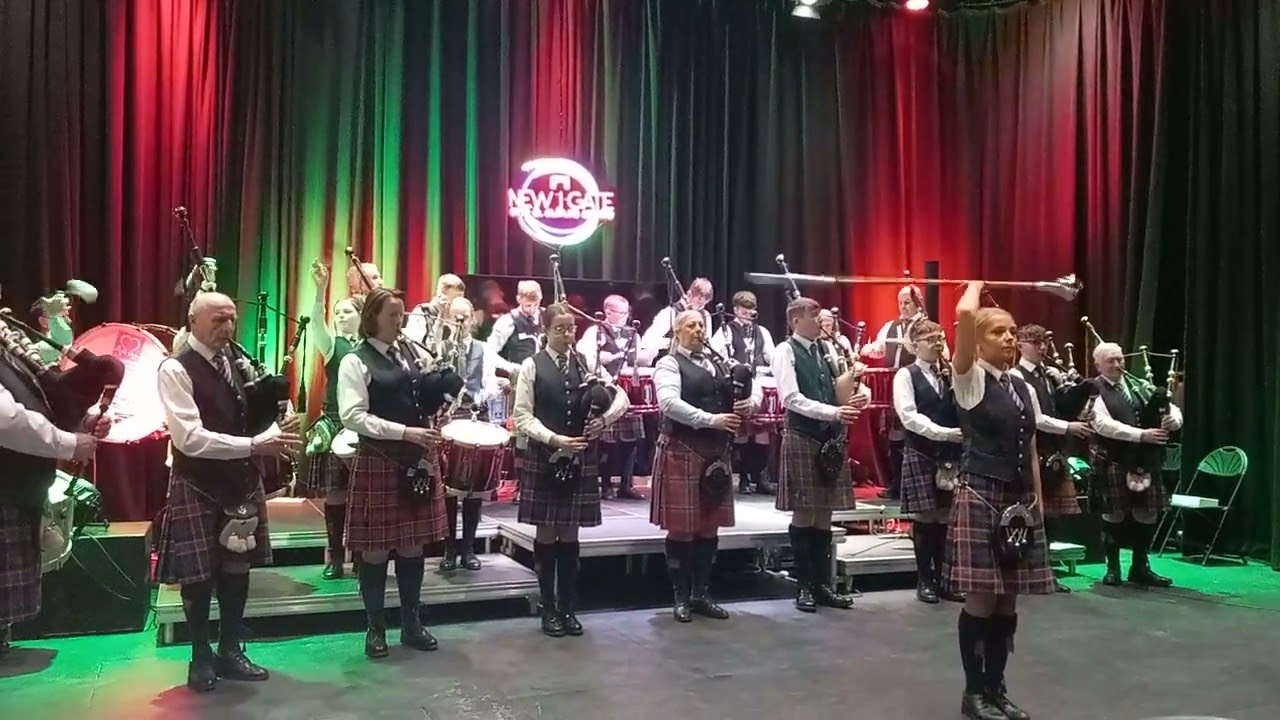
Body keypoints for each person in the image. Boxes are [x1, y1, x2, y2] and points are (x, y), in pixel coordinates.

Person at [155, 292, 303, 692]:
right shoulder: (175, 368)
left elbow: (246, 415)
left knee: (237, 569)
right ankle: (200, 656)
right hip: (198, 482)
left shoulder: (235, 361)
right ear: (193, 320)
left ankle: (230, 650)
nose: (227, 328)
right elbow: (189, 438)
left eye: (231, 320)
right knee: (198, 575)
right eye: (218, 320)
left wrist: (275, 418)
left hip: (241, 482)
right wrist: (254, 446)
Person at [945, 281, 1054, 720]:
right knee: (983, 601)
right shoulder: (969, 379)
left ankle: (996, 688)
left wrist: (1037, 498)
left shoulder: (1022, 386)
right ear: (978, 341)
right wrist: (974, 285)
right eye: (998, 332)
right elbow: (964, 315)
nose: (1009, 338)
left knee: (1008, 600)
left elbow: (1031, 445)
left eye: (1012, 331)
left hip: (1018, 499)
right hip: (982, 493)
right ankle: (973, 694)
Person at [337, 287, 451, 659]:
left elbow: (420, 400)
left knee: (412, 544)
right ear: (372, 317)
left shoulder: (410, 354)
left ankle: (411, 624)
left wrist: (443, 393)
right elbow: (352, 416)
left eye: (401, 314)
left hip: (416, 458)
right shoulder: (355, 361)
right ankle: (375, 628)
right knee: (375, 550)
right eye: (392, 315)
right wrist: (404, 432)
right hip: (380, 458)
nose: (399, 321)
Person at [513, 303, 629, 637]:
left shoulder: (586, 363)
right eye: (560, 329)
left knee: (570, 536)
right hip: (545, 454)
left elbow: (620, 397)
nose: (567, 334)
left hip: (579, 457)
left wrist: (603, 421)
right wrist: (554, 439)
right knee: (547, 534)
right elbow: (522, 415)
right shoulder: (531, 365)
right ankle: (547, 608)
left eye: (571, 328)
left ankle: (568, 607)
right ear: (545, 330)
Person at [652, 310, 761, 622]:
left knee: (709, 525)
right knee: (682, 528)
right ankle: (681, 597)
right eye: (691, 325)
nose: (698, 329)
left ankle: (700, 594)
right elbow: (669, 404)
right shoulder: (669, 363)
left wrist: (749, 403)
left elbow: (755, 386)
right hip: (683, 447)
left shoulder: (719, 362)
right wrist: (711, 420)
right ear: (677, 332)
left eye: (701, 325)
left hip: (716, 451)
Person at [0, 346, 105, 655]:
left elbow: (41, 403)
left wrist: (82, 423)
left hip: (17, 486)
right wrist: (68, 443)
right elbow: (7, 420)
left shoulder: (9, 352)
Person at [771, 297, 865, 613]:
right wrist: (833, 412)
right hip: (803, 435)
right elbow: (791, 398)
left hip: (829, 439)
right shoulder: (785, 351)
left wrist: (857, 395)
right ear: (795, 321)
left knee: (825, 513)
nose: (819, 320)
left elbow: (838, 391)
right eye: (813, 315)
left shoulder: (826, 349)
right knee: (805, 512)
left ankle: (823, 585)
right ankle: (804, 587)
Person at [1009, 324, 1094, 593]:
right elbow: (1035, 418)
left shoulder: (1049, 374)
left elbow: (1062, 408)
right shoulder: (1016, 376)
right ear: (1020, 345)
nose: (1042, 347)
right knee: (1033, 515)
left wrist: (1080, 392)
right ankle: (1028, 572)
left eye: (1044, 342)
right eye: (1035, 342)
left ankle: (1046, 573)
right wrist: (1069, 428)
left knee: (1052, 519)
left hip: (1054, 453)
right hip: (1032, 454)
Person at [1089, 342, 1182, 588]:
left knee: (1147, 512)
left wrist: (1173, 420)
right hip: (1113, 458)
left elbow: (1172, 408)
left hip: (1145, 460)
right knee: (1114, 512)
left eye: (1120, 359)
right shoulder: (1093, 389)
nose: (1117, 364)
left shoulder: (1139, 384)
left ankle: (1140, 567)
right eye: (1110, 361)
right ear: (1098, 365)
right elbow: (1102, 424)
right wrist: (1141, 435)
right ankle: (1113, 568)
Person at [891, 320, 966, 604]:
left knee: (946, 517)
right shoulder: (906, 375)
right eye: (931, 339)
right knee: (925, 516)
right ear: (914, 345)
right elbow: (908, 415)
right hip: (922, 451)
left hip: (950, 455)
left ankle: (945, 581)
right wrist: (943, 433)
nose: (937, 344)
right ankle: (925, 580)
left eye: (940, 338)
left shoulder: (950, 373)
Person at [303, 261, 365, 580]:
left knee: (364, 496)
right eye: (337, 312)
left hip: (365, 427)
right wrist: (320, 291)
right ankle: (336, 559)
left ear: (361, 316)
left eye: (346, 312)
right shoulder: (332, 346)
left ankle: (362, 557)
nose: (340, 316)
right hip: (336, 424)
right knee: (336, 494)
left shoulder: (370, 348)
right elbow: (317, 324)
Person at [439, 296, 501, 571]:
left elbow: (490, 383)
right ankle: (449, 550)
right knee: (449, 489)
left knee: (473, 489)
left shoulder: (482, 348)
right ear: (448, 318)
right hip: (448, 418)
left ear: (472, 319)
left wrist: (478, 395)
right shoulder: (440, 348)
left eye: (465, 315)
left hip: (475, 415)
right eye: (455, 315)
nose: (460, 320)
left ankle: (468, 550)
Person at [861, 285, 929, 499]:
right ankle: (897, 484)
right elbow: (879, 349)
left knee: (916, 434)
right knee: (895, 435)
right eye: (900, 303)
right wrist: (866, 350)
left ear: (917, 302)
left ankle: (916, 486)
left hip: (919, 386)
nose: (903, 307)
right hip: (893, 387)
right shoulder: (890, 326)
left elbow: (942, 353)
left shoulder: (927, 326)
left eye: (907, 302)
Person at [576, 295, 645, 500]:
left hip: (630, 392)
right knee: (608, 442)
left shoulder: (633, 334)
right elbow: (585, 357)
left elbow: (637, 362)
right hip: (607, 391)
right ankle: (606, 485)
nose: (625, 317)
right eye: (621, 313)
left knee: (631, 440)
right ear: (608, 312)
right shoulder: (595, 332)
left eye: (626, 313)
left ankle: (626, 485)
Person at [710, 290, 776, 495]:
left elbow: (772, 357)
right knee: (741, 433)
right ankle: (744, 477)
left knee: (762, 431)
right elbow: (715, 354)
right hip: (737, 385)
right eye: (744, 311)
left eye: (751, 312)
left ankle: (761, 475)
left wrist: (771, 369)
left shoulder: (762, 332)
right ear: (736, 310)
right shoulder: (726, 331)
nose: (748, 315)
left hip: (758, 384)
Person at [640, 277, 713, 364]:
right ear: (689, 294)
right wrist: (671, 342)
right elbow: (649, 339)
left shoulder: (706, 315)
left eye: (704, 303)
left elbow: (707, 344)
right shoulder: (670, 312)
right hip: (671, 362)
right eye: (699, 300)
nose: (700, 306)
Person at [486, 280, 545, 378]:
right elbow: (489, 352)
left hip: (543, 376)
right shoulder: (506, 322)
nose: (532, 309)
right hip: (519, 377)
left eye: (536, 304)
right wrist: (512, 368)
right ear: (519, 299)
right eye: (528, 305)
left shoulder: (547, 317)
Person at [405, 274, 466, 346]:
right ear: (441, 295)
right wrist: (441, 319)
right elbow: (415, 347)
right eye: (455, 299)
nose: (459, 304)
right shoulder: (422, 313)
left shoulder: (458, 318)